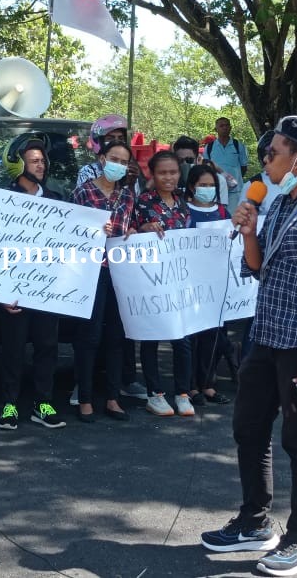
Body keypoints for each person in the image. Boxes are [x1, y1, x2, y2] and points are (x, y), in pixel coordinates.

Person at [200, 115, 297, 576]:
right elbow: (258, 266)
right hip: (266, 336)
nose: (265, 161)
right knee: (248, 428)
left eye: (272, 153)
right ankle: (253, 520)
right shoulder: (283, 201)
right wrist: (248, 231)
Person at [0, 139, 66, 430]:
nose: (41, 164)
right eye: (34, 160)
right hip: (13, 292)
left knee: (47, 346)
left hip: (47, 291)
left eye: (42, 160)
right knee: (12, 349)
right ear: (18, 163)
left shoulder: (56, 199)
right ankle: (9, 404)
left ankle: (43, 402)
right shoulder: (2, 201)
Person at [70, 139, 136, 423]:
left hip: (120, 271)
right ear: (101, 159)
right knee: (89, 336)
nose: (118, 165)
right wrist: (93, 230)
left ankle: (112, 398)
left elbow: (128, 226)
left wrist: (132, 231)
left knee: (116, 336)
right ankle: (85, 399)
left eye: (123, 162)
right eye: (114, 159)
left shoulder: (128, 195)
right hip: (91, 271)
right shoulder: (83, 192)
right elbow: (70, 229)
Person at [131, 151, 195, 417]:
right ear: (152, 175)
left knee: (183, 339)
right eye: (162, 173)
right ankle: (154, 394)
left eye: (173, 172)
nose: (168, 177)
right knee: (151, 337)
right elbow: (131, 234)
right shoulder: (143, 202)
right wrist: (143, 230)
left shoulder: (183, 203)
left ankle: (182, 392)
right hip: (152, 281)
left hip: (179, 280)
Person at [182, 162, 233, 406]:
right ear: (192, 187)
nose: (207, 189)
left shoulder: (223, 214)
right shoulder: (183, 211)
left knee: (212, 337)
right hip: (189, 283)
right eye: (202, 185)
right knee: (192, 337)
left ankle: (208, 384)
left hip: (216, 284)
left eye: (211, 185)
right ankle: (191, 386)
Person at [203, 117, 249, 208]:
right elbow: (206, 169)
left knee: (234, 219)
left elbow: (244, 167)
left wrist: (234, 179)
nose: (225, 128)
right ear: (216, 129)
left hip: (236, 192)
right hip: (216, 191)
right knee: (218, 218)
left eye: (227, 125)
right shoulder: (209, 147)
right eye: (221, 126)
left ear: (230, 128)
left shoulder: (238, 145)